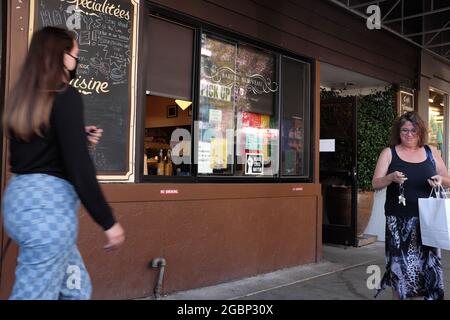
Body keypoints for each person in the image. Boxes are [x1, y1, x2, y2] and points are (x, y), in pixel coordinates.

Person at [1, 26, 125, 300]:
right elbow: (78, 167)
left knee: (76, 289)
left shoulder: (23, 100)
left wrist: (76, 137)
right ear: (61, 55)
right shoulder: (65, 96)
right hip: (48, 214)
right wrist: (108, 222)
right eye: (75, 54)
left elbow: (37, 150)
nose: (76, 61)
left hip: (19, 204)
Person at [372, 111, 448, 300]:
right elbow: (375, 183)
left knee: (427, 267)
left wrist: (440, 179)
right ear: (398, 132)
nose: (409, 134)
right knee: (400, 269)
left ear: (420, 131)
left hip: (428, 221)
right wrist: (390, 178)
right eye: (404, 130)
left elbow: (448, 179)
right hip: (398, 221)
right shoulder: (389, 153)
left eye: (413, 130)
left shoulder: (431, 152)